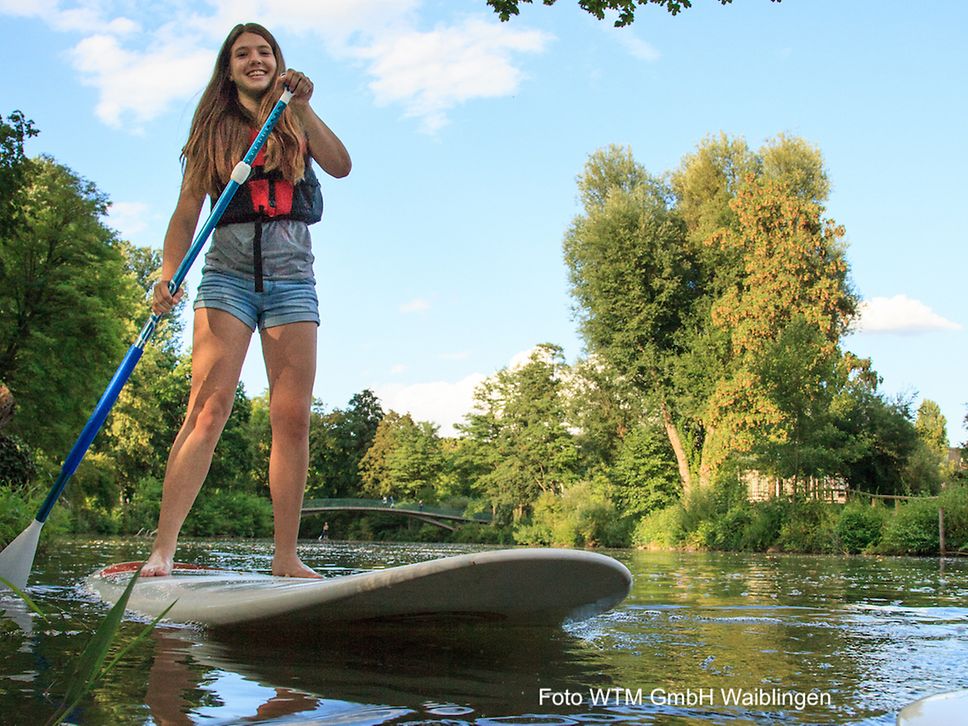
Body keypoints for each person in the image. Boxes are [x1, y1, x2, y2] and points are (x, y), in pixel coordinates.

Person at [143, 22, 351, 578]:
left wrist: (303, 109)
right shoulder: (213, 128)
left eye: (263, 51)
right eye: (242, 54)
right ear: (228, 66)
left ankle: (286, 557)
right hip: (226, 280)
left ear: (276, 60)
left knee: (292, 419)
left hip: (292, 281)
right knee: (206, 412)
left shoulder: (294, 118)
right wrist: (167, 275)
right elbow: (187, 213)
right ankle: (161, 551)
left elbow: (341, 165)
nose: (254, 60)